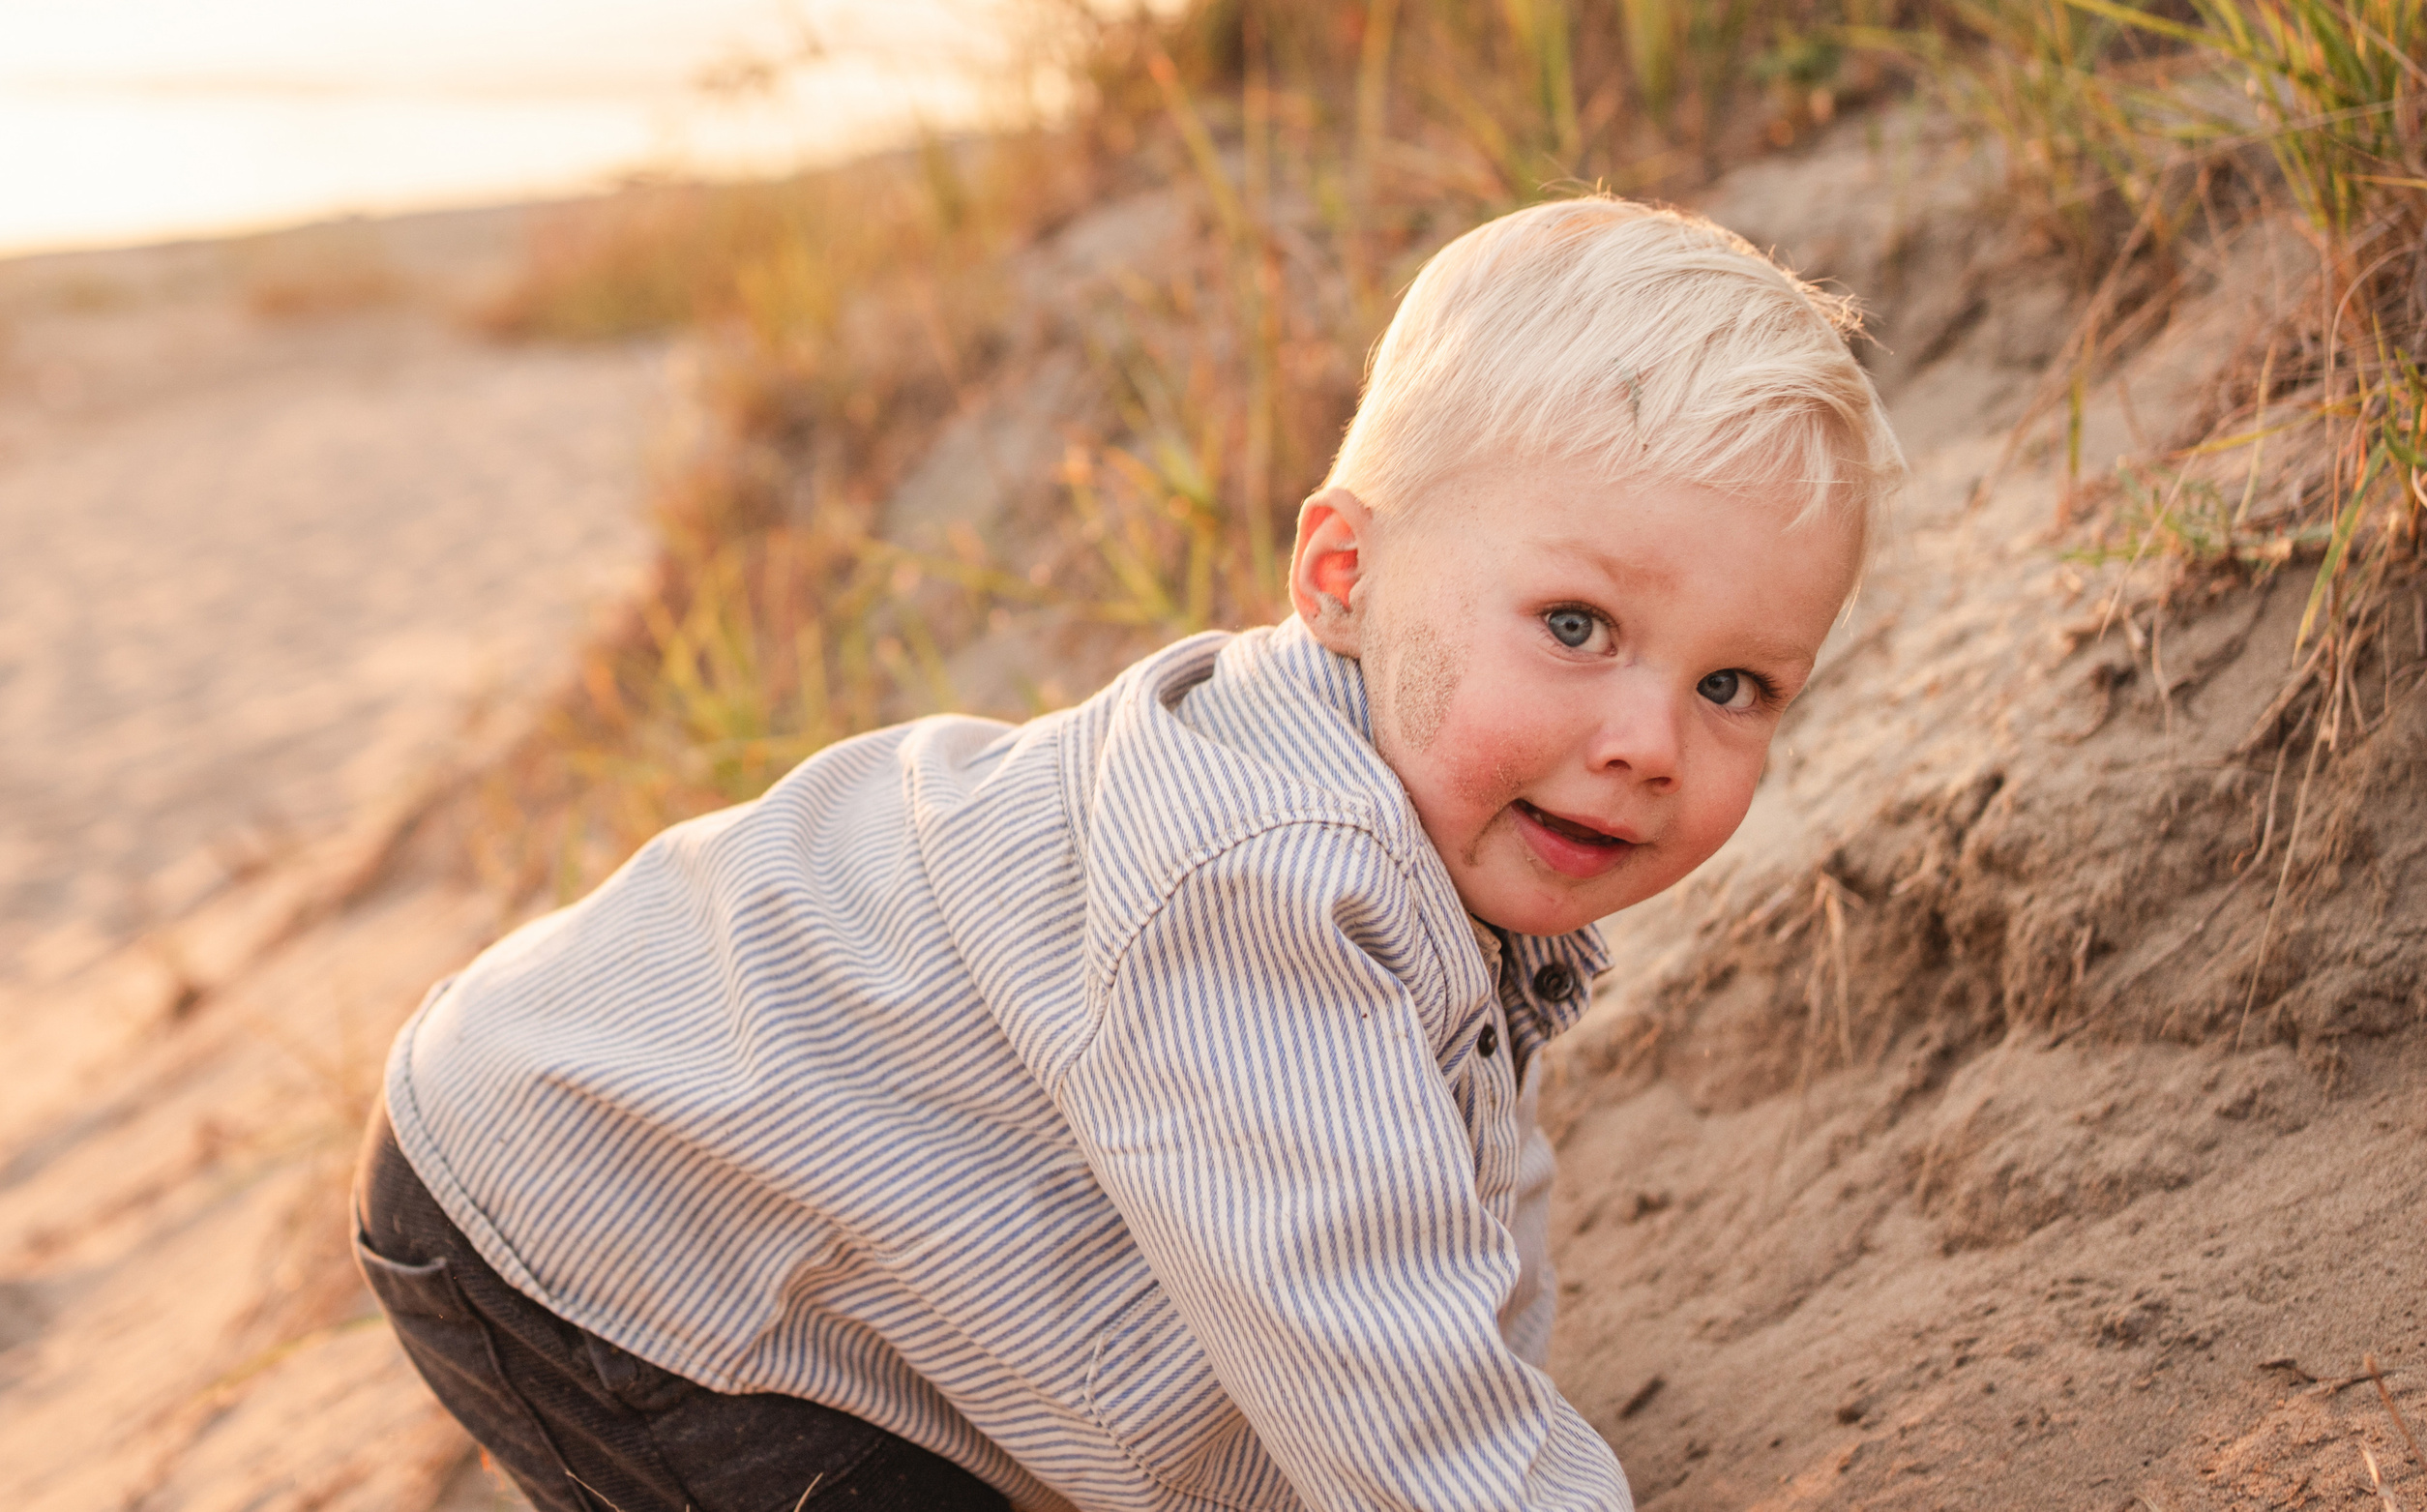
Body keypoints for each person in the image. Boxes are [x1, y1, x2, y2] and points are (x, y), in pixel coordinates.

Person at [352, 195, 1903, 1512]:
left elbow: (1432, 1217)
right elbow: (1358, 1328)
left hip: (692, 1129)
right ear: (1343, 574)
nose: (1651, 738)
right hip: (591, 1206)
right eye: (1578, 627)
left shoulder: (1440, 828)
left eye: (1732, 687)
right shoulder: (1260, 871)